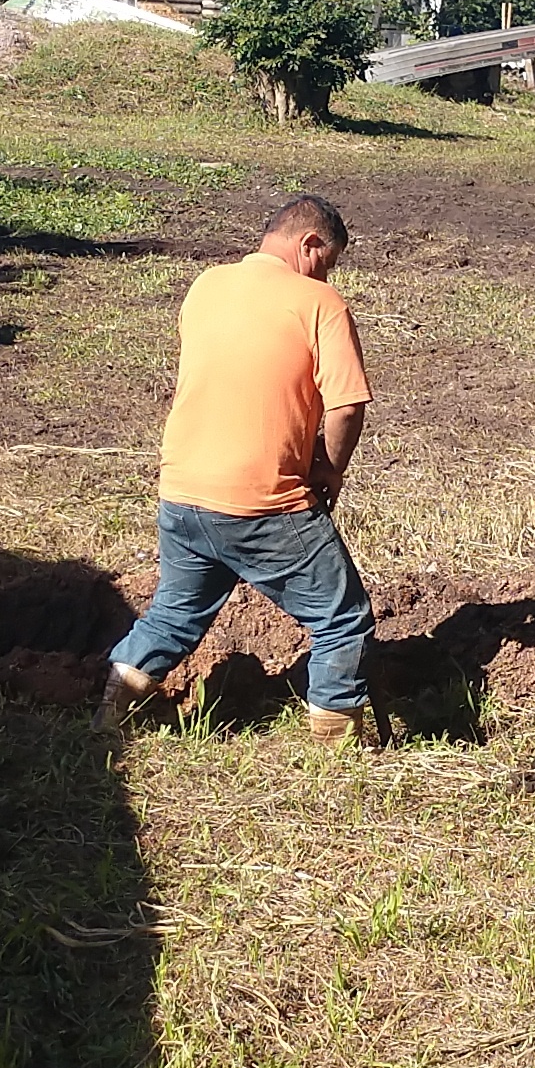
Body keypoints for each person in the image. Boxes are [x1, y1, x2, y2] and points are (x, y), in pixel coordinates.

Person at [103, 194, 377, 745]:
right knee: (341, 616)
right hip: (261, 499)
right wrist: (329, 468)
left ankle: (115, 706)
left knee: (175, 610)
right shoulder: (319, 301)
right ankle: (337, 737)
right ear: (310, 244)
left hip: (182, 492)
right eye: (329, 261)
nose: (327, 274)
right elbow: (347, 405)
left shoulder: (207, 285)